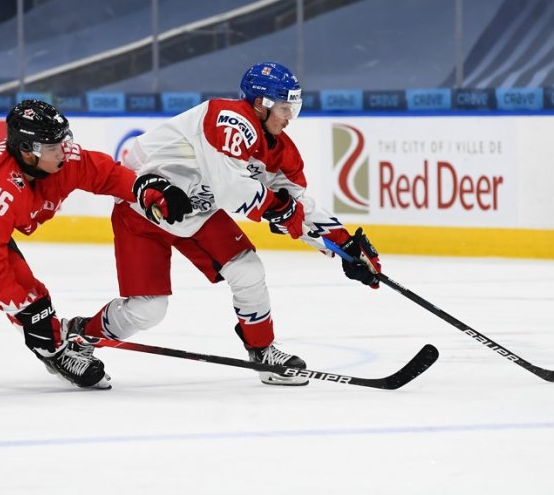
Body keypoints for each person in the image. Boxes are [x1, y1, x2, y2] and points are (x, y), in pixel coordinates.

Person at [77, 62, 382, 386]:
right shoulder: (228, 119)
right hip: (144, 209)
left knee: (247, 269)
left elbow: (298, 207)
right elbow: (234, 190)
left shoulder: (281, 152)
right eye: (283, 107)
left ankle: (263, 351)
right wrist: (277, 207)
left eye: (293, 107)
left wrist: (344, 246)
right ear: (259, 103)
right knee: (148, 310)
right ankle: (80, 337)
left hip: (197, 212)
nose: (289, 116)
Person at [0, 99, 137, 389]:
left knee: (30, 298)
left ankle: (50, 341)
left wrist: (145, 192)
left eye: (64, 141)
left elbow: (105, 174)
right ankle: (54, 351)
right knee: (26, 298)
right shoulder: (1, 189)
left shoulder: (55, 161)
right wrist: (30, 314)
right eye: (53, 147)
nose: (65, 150)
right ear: (27, 152)